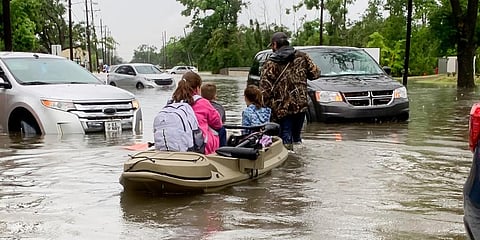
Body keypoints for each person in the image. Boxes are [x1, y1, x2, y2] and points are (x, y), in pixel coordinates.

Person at [259, 32, 321, 151]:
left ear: (275, 44)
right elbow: (316, 74)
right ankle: (298, 163)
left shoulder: (270, 63)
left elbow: (264, 90)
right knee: (297, 138)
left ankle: (288, 164)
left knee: (284, 139)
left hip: (281, 108)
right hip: (300, 105)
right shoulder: (303, 57)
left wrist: (264, 108)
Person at [172, 71, 223, 154]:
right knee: (221, 130)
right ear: (198, 88)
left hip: (176, 144)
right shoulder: (203, 103)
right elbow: (218, 123)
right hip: (199, 147)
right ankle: (222, 156)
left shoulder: (173, 102)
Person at [201, 83, 227, 147]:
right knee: (223, 130)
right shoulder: (219, 108)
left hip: (202, 131)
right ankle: (223, 149)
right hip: (215, 132)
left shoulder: (198, 105)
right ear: (215, 96)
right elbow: (221, 122)